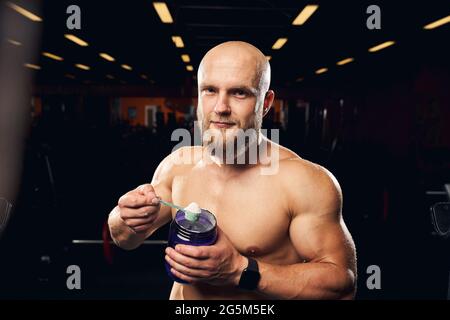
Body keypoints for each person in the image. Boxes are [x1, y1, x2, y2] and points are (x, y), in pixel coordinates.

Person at [108, 41, 356, 300]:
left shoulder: (302, 181)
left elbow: (341, 285)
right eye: (210, 90)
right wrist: (124, 216)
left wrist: (241, 271)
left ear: (266, 102)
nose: (220, 107)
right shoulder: (177, 164)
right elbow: (126, 239)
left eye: (239, 93)